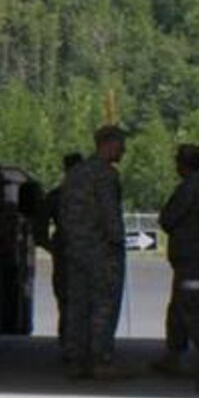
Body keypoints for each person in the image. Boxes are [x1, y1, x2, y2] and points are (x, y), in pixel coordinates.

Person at [58, 126, 128, 381]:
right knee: (103, 306)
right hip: (102, 252)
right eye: (121, 144)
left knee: (77, 305)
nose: (124, 150)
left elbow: (63, 212)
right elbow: (111, 215)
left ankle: (76, 359)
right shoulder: (105, 175)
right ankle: (100, 360)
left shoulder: (75, 174)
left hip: (76, 251)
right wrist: (118, 244)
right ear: (108, 144)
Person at [154, 144, 199, 376]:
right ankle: (176, 354)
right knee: (183, 306)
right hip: (194, 255)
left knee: (190, 305)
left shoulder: (189, 188)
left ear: (183, 163)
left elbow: (168, 218)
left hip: (190, 256)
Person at [44, 152, 83, 348]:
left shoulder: (56, 196)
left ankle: (70, 344)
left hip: (66, 252)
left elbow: (38, 229)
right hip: (82, 254)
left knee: (67, 301)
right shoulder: (92, 195)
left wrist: (51, 247)